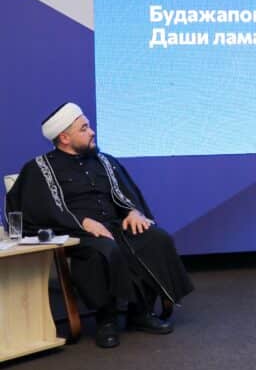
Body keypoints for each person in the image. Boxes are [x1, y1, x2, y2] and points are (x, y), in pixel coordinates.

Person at [6, 103, 194, 348]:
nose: (92, 132)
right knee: (103, 251)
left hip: (116, 226)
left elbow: (127, 195)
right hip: (75, 233)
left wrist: (133, 212)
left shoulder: (105, 161)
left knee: (156, 238)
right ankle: (106, 319)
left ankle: (140, 312)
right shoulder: (38, 169)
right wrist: (82, 223)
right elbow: (36, 210)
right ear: (64, 138)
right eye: (84, 128)